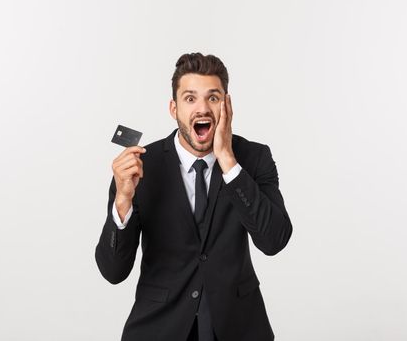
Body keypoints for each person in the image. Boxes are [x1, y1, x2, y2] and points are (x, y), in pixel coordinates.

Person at [95, 53, 293, 341]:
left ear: (227, 105)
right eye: (190, 99)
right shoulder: (139, 168)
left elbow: (274, 241)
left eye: (213, 98)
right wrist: (123, 200)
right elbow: (113, 272)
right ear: (173, 108)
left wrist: (227, 160)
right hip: (160, 328)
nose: (202, 108)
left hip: (238, 326)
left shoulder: (254, 158)